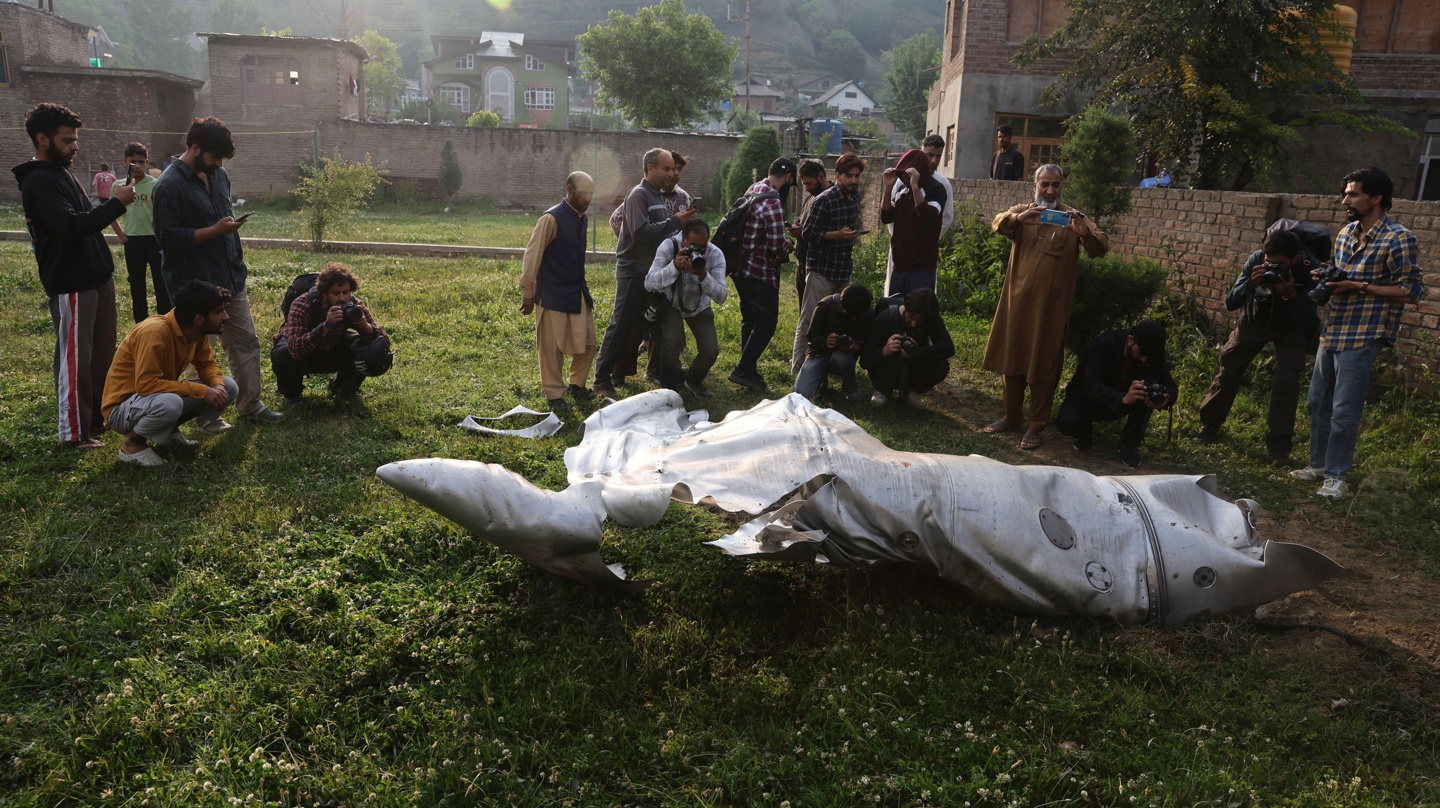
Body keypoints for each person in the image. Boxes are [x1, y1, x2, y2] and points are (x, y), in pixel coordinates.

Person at [1290, 166, 1425, 499]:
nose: (1345, 200)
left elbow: (1411, 290)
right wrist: (1327, 276)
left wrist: (1358, 286)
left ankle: (1337, 476)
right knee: (1317, 402)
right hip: (1333, 329)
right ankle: (1319, 465)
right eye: (1345, 193)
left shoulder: (1398, 238)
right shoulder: (1346, 232)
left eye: (1353, 194)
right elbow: (1339, 275)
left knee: (1343, 410)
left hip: (1364, 334)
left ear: (1376, 198)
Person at [13, 102, 136, 449]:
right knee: (75, 360)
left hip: (96, 277)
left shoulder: (61, 173)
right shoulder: (38, 180)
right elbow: (70, 226)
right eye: (67, 140)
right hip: (71, 282)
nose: (75, 146)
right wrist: (117, 204)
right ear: (42, 139)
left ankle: (96, 418)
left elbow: (84, 221)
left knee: (101, 356)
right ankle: (73, 434)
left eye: (75, 139)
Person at [153, 115, 284, 428]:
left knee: (246, 343)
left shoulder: (220, 175)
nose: (218, 163)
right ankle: (204, 416)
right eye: (214, 157)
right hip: (195, 286)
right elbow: (167, 238)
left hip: (230, 277)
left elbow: (220, 218)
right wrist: (213, 230)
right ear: (195, 147)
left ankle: (250, 406)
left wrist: (228, 230)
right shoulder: (168, 186)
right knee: (200, 353)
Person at [982, 163, 1109, 451]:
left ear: (1062, 186)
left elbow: (1100, 247)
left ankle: (1035, 425)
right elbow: (998, 223)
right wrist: (1019, 218)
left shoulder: (1073, 218)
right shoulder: (1026, 212)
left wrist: (1084, 234)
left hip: (1051, 310)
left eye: (1055, 185)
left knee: (1044, 364)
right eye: (1045, 185)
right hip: (1016, 304)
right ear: (1035, 185)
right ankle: (1011, 416)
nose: (1050, 190)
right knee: (1012, 359)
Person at [1196, 229, 1320, 465]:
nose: (1272, 268)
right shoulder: (1256, 260)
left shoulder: (1308, 266)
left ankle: (1279, 448)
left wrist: (1291, 294)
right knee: (1229, 368)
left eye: (1280, 264)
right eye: (1268, 262)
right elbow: (1231, 301)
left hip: (1291, 326)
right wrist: (1250, 285)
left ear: (1294, 258)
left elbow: (1309, 319)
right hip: (1256, 320)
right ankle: (1209, 425)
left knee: (1287, 382)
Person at [100, 280, 240, 467]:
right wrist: (202, 391)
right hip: (120, 409)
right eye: (218, 312)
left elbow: (207, 363)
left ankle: (170, 431)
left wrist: (217, 386)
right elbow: (146, 385)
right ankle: (132, 445)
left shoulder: (197, 333)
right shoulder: (154, 332)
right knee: (170, 402)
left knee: (228, 386)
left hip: (150, 399)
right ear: (199, 319)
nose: (226, 317)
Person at [593, 148, 695, 399]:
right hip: (633, 274)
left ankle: (668, 376)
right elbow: (640, 233)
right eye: (666, 168)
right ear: (651, 169)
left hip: (653, 273)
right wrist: (675, 222)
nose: (672, 173)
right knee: (621, 326)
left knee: (660, 327)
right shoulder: (639, 195)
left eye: (674, 169)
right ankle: (601, 380)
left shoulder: (657, 196)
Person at [519, 172, 598, 412]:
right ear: (570, 190)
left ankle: (576, 385)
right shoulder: (551, 219)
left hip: (576, 290)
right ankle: (554, 394)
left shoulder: (582, 218)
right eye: (583, 193)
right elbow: (533, 255)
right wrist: (527, 292)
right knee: (551, 349)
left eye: (591, 194)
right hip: (552, 292)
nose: (588, 198)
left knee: (588, 343)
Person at [1056, 319, 1177, 469]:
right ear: (1131, 339)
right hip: (1088, 398)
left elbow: (1170, 384)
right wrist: (1122, 398)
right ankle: (1084, 431)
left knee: (1145, 388)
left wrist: (1167, 397)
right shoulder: (1104, 343)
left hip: (1125, 402)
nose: (1144, 359)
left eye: (1149, 357)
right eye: (1141, 353)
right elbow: (1090, 384)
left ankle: (1129, 444)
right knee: (1067, 421)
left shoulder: (1152, 352)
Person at [271, 262, 391, 406]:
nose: (342, 298)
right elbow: (294, 349)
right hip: (305, 351)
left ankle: (343, 388)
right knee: (284, 353)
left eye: (346, 292)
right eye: (335, 293)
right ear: (324, 293)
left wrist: (365, 327)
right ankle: (292, 394)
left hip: (331, 348)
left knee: (370, 346)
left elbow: (383, 343)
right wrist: (325, 326)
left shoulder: (354, 305)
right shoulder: (303, 303)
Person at [728, 157, 798, 394]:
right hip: (760, 272)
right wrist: (789, 244)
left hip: (740, 268)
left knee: (750, 319)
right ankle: (744, 368)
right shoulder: (774, 203)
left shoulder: (754, 189)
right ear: (788, 178)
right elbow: (777, 246)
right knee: (767, 323)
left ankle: (748, 367)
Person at [791, 153, 864, 377]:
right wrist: (836, 235)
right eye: (849, 176)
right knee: (809, 319)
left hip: (843, 268)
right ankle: (798, 369)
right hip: (821, 269)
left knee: (840, 320)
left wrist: (850, 235)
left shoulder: (855, 197)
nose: (853, 180)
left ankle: (830, 366)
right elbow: (809, 232)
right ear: (838, 175)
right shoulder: (824, 199)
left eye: (857, 176)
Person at [644, 218, 727, 398]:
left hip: (698, 306)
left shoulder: (715, 254)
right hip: (670, 304)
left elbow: (721, 296)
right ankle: (669, 388)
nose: (699, 251)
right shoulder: (668, 247)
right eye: (693, 246)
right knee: (672, 340)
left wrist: (703, 275)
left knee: (710, 350)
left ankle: (693, 379)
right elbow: (649, 283)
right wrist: (674, 266)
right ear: (683, 240)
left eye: (703, 247)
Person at [861, 287, 954, 408]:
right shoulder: (885, 318)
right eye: (911, 317)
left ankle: (912, 390)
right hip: (887, 368)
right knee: (894, 354)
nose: (914, 324)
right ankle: (882, 390)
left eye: (919, 321)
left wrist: (919, 351)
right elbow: (864, 361)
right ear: (905, 307)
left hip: (914, 367)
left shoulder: (931, 319)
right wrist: (884, 351)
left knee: (942, 365)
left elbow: (948, 348)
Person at [111, 142, 170, 323]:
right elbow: (109, 213)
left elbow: (164, 213)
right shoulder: (120, 186)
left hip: (154, 241)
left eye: (141, 162)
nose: (137, 166)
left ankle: (164, 324)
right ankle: (141, 327)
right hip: (133, 241)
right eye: (132, 162)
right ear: (124, 162)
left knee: (161, 285)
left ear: (147, 163)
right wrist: (122, 237)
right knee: (137, 286)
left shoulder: (156, 185)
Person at [880, 148, 947, 297]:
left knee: (918, 314)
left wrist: (915, 186)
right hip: (899, 268)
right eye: (902, 174)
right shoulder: (902, 191)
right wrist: (889, 187)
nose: (905, 178)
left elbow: (926, 216)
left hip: (922, 269)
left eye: (907, 175)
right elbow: (886, 217)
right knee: (896, 312)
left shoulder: (936, 189)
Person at [794, 283, 873, 401]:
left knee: (842, 358)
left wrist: (857, 346)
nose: (854, 319)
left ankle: (850, 390)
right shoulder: (825, 306)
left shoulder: (867, 314)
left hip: (843, 356)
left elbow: (868, 341)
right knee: (802, 393)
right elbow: (812, 335)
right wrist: (825, 341)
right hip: (818, 353)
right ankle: (820, 380)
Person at [787, 158, 831, 304]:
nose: (806, 188)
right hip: (802, 262)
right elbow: (805, 222)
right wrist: (797, 228)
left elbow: (831, 233)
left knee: (814, 312)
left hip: (818, 267)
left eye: (808, 183)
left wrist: (803, 233)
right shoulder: (811, 197)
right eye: (804, 184)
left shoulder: (832, 199)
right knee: (803, 308)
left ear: (821, 176)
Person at [920, 134, 956, 233]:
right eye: (930, 155)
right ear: (921, 153)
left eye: (938, 156)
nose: (934, 161)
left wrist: (930, 238)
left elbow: (947, 218)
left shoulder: (944, 184)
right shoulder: (903, 180)